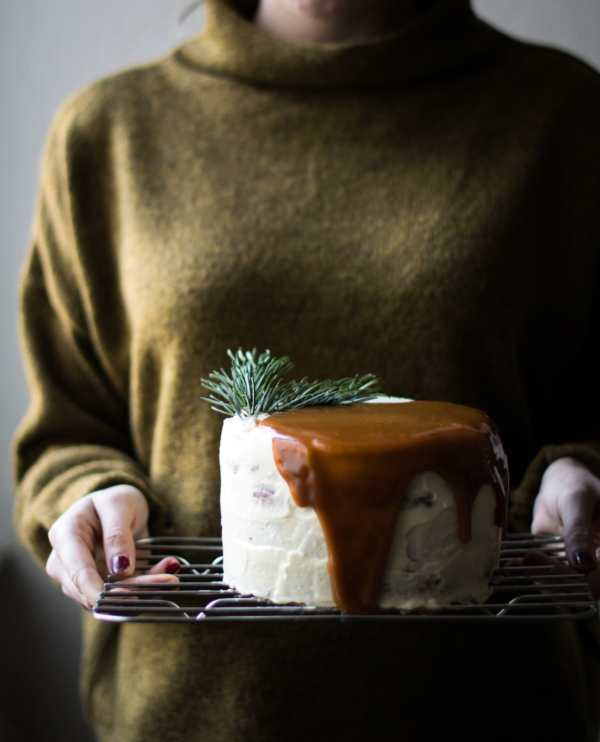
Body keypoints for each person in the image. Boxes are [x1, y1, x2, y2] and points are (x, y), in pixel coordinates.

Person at [13, 0, 600, 740]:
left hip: (496, 703)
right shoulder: (108, 132)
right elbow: (67, 427)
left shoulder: (568, 116)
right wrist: (90, 496)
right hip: (195, 713)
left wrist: (582, 470)